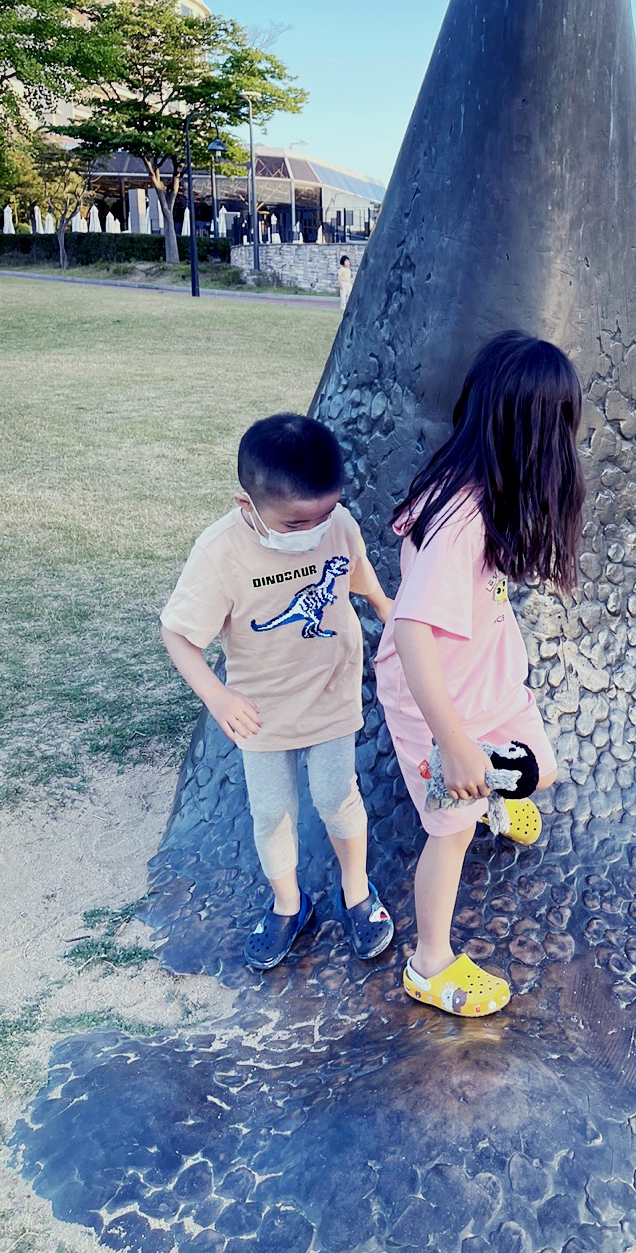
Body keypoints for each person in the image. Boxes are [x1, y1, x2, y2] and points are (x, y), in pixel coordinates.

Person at [375, 331, 585, 1016]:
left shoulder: (488, 487)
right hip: (434, 700)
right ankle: (429, 965)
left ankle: (486, 791)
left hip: (488, 680)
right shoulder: (461, 518)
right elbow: (411, 632)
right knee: (451, 828)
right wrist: (455, 744)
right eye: (563, 424)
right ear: (534, 432)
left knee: (540, 771)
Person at [161, 413, 395, 972]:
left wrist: (387, 609)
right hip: (260, 709)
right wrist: (217, 697)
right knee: (271, 812)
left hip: (331, 689)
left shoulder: (337, 523)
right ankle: (289, 904)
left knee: (336, 797)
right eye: (297, 523)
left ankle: (357, 892)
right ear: (247, 504)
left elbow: (355, 569)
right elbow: (178, 634)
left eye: (325, 513)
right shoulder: (220, 552)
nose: (315, 528)